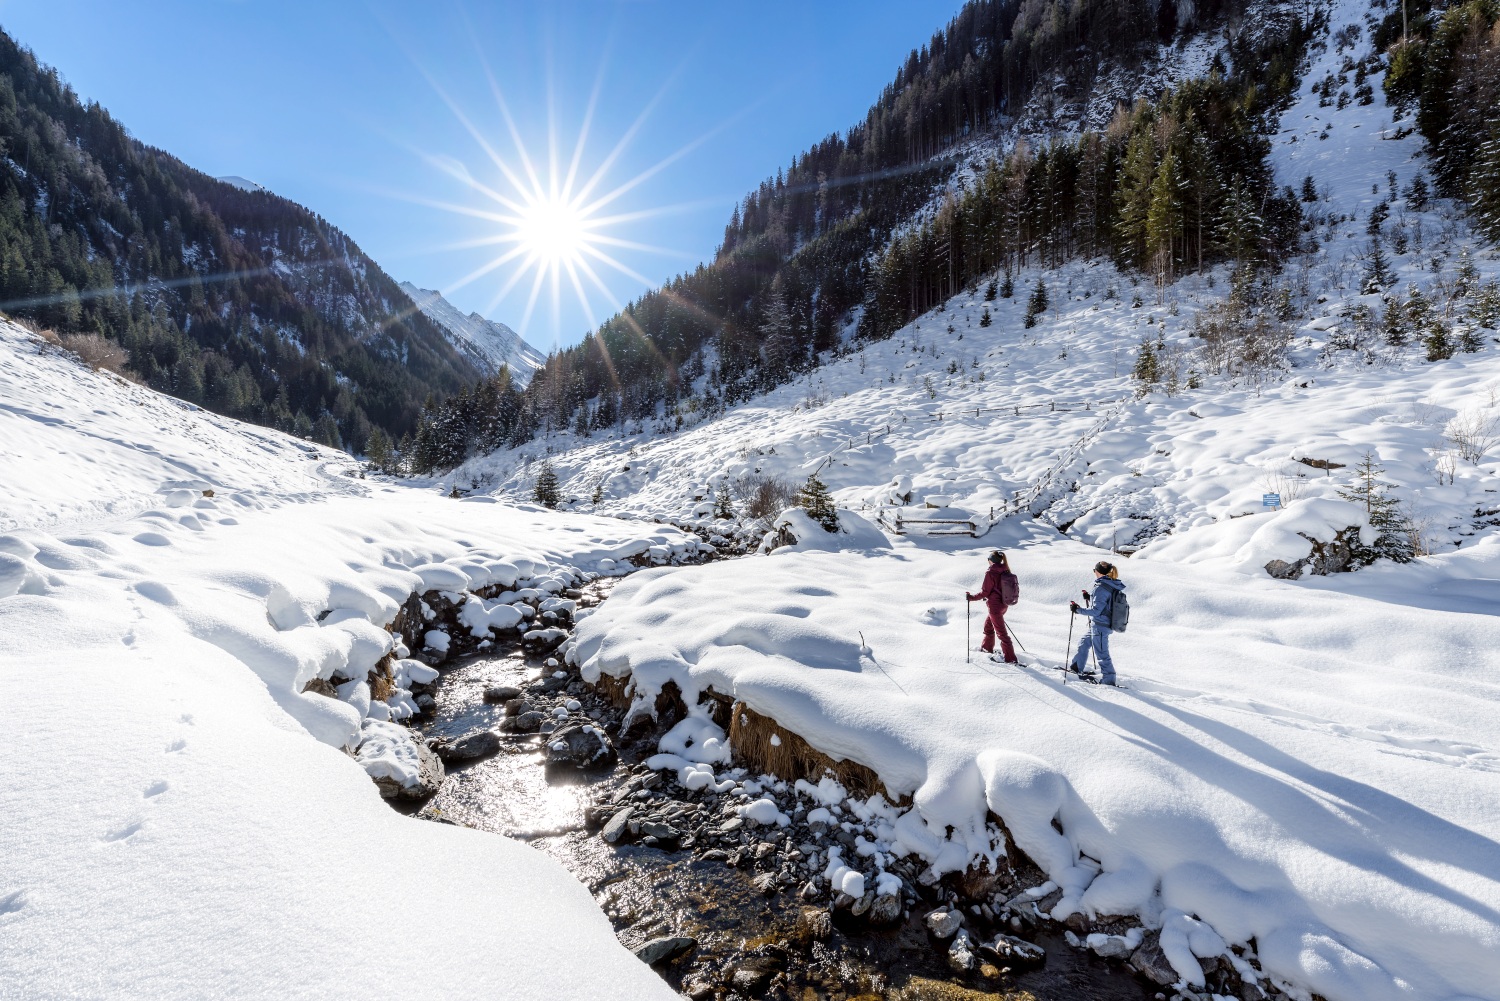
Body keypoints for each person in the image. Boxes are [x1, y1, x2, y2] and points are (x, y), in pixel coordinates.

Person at [1069, 560, 1124, 685]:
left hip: (1101, 626)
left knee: (1102, 654)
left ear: (1098, 572)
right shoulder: (1109, 584)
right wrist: (1090, 598)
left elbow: (1096, 611)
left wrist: (1078, 610)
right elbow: (1106, 603)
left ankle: (1109, 680)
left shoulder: (1101, 588)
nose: (1094, 572)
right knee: (1083, 643)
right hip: (1100, 624)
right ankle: (1077, 667)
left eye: (1094, 570)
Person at [966, 550, 1019, 663]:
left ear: (991, 561)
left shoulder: (991, 572)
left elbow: (985, 592)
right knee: (988, 626)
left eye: (988, 560)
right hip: (1003, 605)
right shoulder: (1005, 569)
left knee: (1002, 634)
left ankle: (1011, 659)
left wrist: (971, 598)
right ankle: (986, 649)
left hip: (995, 608)